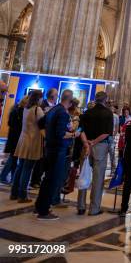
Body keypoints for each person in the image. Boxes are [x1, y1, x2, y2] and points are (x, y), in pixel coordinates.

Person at [35, 89, 75, 220]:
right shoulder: (63, 113)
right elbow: (61, 134)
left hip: (49, 148)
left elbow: (40, 124)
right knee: (52, 180)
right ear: (69, 100)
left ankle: (39, 206)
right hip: (58, 150)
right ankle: (44, 211)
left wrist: (47, 138)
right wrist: (74, 134)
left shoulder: (53, 109)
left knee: (47, 179)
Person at [77, 91, 113, 215]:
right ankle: (94, 208)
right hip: (100, 148)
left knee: (84, 175)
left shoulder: (87, 113)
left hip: (86, 147)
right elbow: (107, 133)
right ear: (105, 100)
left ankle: (81, 206)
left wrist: (87, 143)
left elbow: (80, 129)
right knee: (98, 179)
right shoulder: (108, 113)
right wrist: (94, 142)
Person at [11, 90, 44, 203]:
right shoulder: (37, 109)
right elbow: (43, 123)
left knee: (20, 167)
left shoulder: (26, 108)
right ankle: (22, 195)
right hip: (32, 141)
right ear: (38, 98)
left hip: (23, 140)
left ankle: (14, 193)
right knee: (27, 168)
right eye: (41, 98)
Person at [30, 88, 59, 188]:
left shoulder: (56, 107)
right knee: (40, 159)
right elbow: (40, 121)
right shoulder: (42, 106)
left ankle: (41, 178)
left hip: (51, 136)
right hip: (41, 135)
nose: (57, 96)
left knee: (46, 159)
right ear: (51, 95)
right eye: (56, 94)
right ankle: (35, 180)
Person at [0, 96, 27, 184]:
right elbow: (19, 126)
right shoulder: (21, 111)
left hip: (13, 138)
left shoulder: (15, 109)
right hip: (16, 139)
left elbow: (9, 123)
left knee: (14, 159)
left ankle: (12, 178)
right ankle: (3, 177)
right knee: (13, 158)